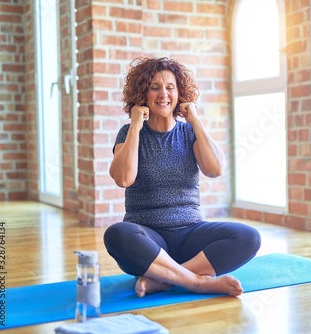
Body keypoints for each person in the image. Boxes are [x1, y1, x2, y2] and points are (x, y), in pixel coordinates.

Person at [103, 57, 261, 298]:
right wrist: (135, 125)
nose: (163, 94)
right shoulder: (128, 133)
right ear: (142, 94)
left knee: (248, 237)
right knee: (117, 234)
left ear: (180, 94)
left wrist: (195, 120)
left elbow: (215, 169)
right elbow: (124, 178)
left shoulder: (189, 132)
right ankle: (197, 282)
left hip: (190, 233)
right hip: (149, 239)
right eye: (154, 87)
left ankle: (164, 279)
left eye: (170, 87)